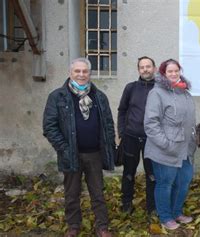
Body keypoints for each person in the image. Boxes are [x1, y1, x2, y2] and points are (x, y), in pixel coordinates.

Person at [42, 58, 115, 237]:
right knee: (72, 193)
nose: (81, 75)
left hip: (95, 154)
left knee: (98, 192)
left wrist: (110, 146)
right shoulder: (57, 96)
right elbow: (49, 127)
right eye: (77, 71)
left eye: (85, 71)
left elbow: (108, 124)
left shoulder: (99, 96)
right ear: (70, 73)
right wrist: (64, 149)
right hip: (71, 154)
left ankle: (102, 227)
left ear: (89, 74)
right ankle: (73, 226)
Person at [144, 59, 196, 230]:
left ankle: (176, 212)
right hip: (164, 150)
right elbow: (151, 123)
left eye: (176, 70)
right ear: (163, 74)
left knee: (184, 181)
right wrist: (166, 144)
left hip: (184, 149)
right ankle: (165, 217)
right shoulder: (157, 93)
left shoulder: (184, 92)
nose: (174, 74)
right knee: (165, 183)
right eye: (170, 71)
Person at [117, 56, 156, 215]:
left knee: (152, 175)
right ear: (138, 69)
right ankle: (126, 205)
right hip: (131, 138)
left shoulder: (160, 88)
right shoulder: (130, 88)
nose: (145, 69)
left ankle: (152, 207)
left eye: (148, 66)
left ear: (154, 68)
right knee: (128, 173)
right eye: (142, 67)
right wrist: (121, 132)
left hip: (152, 140)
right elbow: (122, 110)